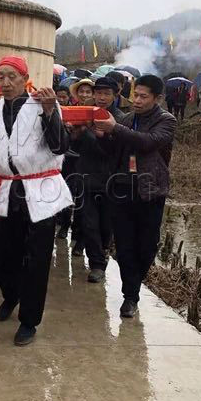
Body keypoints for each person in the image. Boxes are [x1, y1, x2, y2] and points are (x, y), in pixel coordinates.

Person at [0, 55, 72, 346]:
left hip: (40, 189)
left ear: (25, 79)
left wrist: (51, 112)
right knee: (5, 254)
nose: (5, 82)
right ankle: (10, 296)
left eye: (11, 76)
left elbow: (60, 146)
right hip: (7, 190)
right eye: (0, 76)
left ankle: (29, 320)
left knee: (37, 259)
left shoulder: (44, 104)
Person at [95, 74, 176, 318]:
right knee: (124, 244)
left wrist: (115, 129)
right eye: (135, 95)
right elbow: (113, 151)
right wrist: (103, 136)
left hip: (150, 190)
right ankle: (130, 296)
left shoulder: (166, 120)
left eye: (143, 97)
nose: (137, 101)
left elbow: (148, 142)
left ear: (157, 98)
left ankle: (134, 282)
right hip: (122, 188)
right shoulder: (128, 119)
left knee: (147, 245)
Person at [70, 76, 126, 282]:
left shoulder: (120, 119)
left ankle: (103, 252)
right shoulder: (85, 115)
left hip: (111, 181)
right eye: (99, 93)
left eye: (106, 94)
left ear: (115, 95)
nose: (102, 97)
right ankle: (96, 264)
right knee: (88, 222)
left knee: (106, 225)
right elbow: (73, 146)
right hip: (86, 177)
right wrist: (76, 133)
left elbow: (122, 149)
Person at [67, 77, 96, 255]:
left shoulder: (97, 112)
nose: (85, 94)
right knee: (73, 197)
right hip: (72, 161)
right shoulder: (70, 110)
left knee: (85, 202)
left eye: (88, 91)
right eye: (82, 91)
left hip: (91, 163)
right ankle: (73, 230)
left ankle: (81, 241)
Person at [55, 82, 79, 240]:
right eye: (59, 97)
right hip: (56, 161)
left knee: (68, 193)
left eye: (64, 97)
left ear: (69, 98)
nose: (61, 100)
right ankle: (58, 219)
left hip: (71, 161)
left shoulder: (74, 113)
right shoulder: (52, 112)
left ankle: (65, 225)